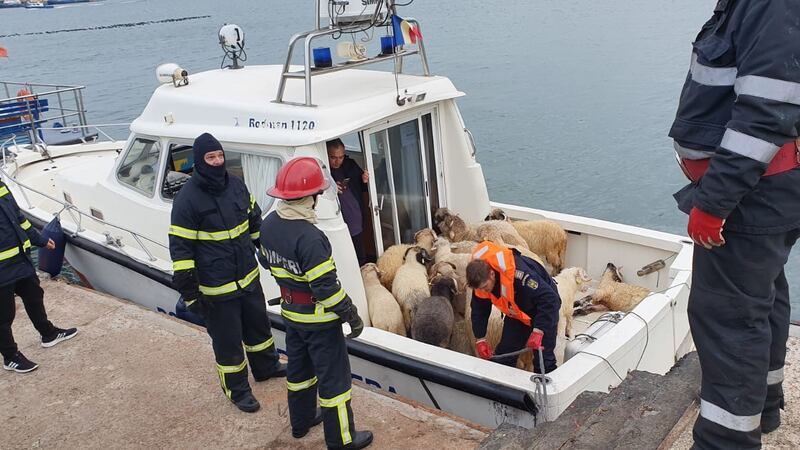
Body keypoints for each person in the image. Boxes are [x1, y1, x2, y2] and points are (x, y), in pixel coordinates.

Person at [669, 1, 800, 447]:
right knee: (762, 297)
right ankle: (763, 405)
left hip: (752, 196)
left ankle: (724, 441)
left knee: (729, 319)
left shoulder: (771, 5)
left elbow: (765, 113)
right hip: (773, 189)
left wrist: (715, 202)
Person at [260, 156, 373, 450]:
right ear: (308, 198)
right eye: (317, 194)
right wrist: (350, 314)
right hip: (320, 322)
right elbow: (326, 289)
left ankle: (301, 422)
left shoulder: (269, 224)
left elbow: (267, 262)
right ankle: (342, 440)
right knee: (334, 381)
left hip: (291, 315)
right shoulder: (311, 237)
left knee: (298, 372)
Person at [168, 133, 285, 413]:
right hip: (216, 290)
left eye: (220, 155)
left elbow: (254, 220)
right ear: (199, 161)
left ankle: (267, 366)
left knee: (259, 329)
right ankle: (237, 390)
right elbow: (181, 251)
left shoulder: (236, 184)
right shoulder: (186, 200)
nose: (218, 161)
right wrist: (191, 293)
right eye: (211, 157)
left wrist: (265, 252)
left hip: (248, 278)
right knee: (228, 343)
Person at [1, 180, 77, 373]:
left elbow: (19, 219)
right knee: (4, 316)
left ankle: (48, 334)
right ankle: (10, 357)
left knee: (34, 297)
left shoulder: (1, 185)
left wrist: (40, 240)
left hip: (20, 261)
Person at [465, 241, 561, 373]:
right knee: (504, 355)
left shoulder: (520, 276)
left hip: (543, 309)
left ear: (492, 274)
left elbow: (550, 299)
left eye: (485, 287)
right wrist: (480, 339)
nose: (485, 291)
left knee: (543, 360)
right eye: (480, 289)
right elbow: (479, 310)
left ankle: (547, 387)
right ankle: (500, 388)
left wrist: (539, 330)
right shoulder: (480, 282)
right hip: (517, 313)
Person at [326, 139, 369, 266]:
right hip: (338, 223)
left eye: (341, 157)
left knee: (360, 257)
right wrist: (330, 189)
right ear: (325, 154)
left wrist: (364, 180)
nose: (337, 161)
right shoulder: (323, 172)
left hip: (356, 219)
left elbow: (362, 188)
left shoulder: (350, 165)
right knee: (344, 261)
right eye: (333, 157)